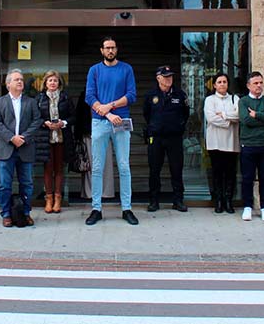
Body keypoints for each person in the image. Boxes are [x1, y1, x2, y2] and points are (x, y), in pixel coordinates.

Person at [84, 36, 138, 226]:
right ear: (101, 50)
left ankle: (127, 208)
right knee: (97, 167)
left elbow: (131, 95)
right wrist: (108, 114)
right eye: (107, 48)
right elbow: (89, 96)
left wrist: (111, 106)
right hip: (100, 122)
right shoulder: (94, 70)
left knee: (124, 166)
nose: (110, 51)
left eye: (113, 47)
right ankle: (96, 208)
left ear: (117, 49)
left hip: (121, 120)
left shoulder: (126, 69)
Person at [0, 69, 43, 227]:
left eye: (21, 79)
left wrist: (24, 137)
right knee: (5, 184)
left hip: (25, 148)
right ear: (8, 84)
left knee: (27, 184)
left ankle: (26, 213)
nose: (20, 81)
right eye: (16, 80)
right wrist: (11, 138)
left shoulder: (31, 101)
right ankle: (6, 214)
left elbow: (37, 121)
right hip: (6, 148)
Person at [142, 65, 190, 212]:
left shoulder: (180, 95)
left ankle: (178, 200)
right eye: (165, 76)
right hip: (156, 138)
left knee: (176, 170)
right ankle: (154, 201)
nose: (169, 79)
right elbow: (147, 114)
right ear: (158, 78)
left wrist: (178, 127)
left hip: (174, 138)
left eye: (170, 76)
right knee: (154, 170)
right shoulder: (151, 95)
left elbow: (185, 114)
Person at [238, 71, 264, 222]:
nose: (259, 85)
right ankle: (247, 207)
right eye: (255, 83)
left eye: (261, 82)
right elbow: (246, 120)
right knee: (247, 177)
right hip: (248, 144)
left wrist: (257, 114)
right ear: (248, 85)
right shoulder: (243, 101)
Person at [36, 70, 74, 214]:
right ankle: (49, 199)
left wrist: (63, 123)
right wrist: (44, 123)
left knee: (59, 168)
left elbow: (73, 117)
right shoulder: (39, 99)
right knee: (47, 169)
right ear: (45, 83)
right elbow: (34, 118)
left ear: (59, 83)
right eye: (50, 80)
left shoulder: (65, 98)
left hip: (62, 138)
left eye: (55, 81)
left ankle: (58, 198)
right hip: (45, 138)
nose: (53, 83)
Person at [204, 72, 240, 214]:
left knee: (230, 173)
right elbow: (211, 118)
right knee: (217, 172)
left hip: (231, 141)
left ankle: (228, 200)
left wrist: (224, 115)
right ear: (214, 85)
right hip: (215, 142)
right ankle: (218, 201)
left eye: (224, 81)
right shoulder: (210, 100)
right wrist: (229, 121)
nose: (222, 84)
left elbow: (239, 116)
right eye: (219, 82)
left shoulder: (234, 98)